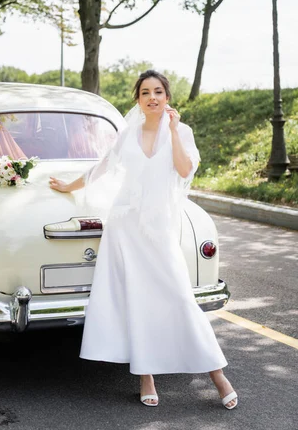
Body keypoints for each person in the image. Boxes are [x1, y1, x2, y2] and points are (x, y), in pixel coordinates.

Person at [49, 70, 238, 410]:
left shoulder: (182, 132)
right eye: (145, 92)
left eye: (159, 91)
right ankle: (145, 376)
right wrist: (68, 186)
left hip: (160, 228)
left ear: (167, 97)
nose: (152, 97)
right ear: (137, 98)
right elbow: (102, 168)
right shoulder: (128, 133)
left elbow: (183, 170)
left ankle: (218, 376)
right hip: (125, 226)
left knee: (181, 299)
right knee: (135, 300)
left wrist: (174, 133)